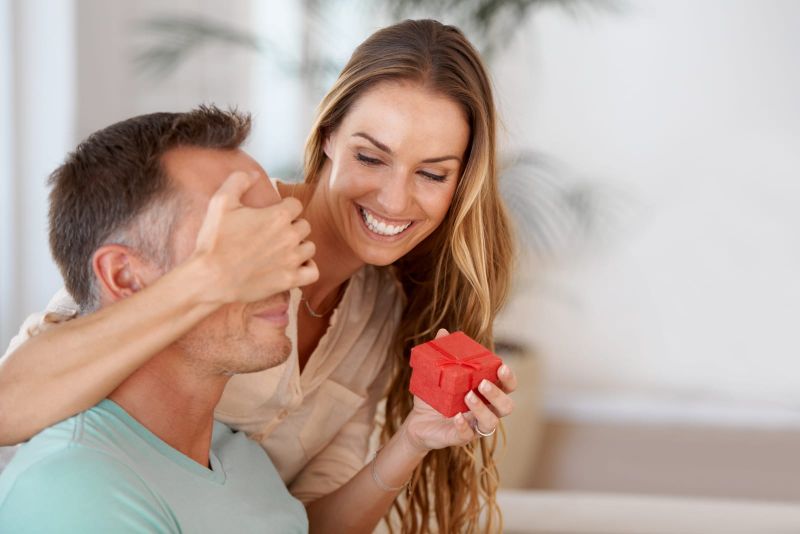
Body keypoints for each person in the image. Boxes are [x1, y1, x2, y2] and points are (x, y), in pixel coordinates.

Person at [0, 19, 516, 533]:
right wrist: (212, 276)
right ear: (330, 135)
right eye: (370, 157)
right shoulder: (216, 226)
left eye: (431, 174)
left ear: (460, 183)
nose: (395, 199)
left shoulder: (381, 312)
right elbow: (10, 404)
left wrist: (412, 441)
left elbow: (304, 521)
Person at [0, 109, 313, 532]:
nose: (287, 268)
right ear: (124, 276)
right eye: (238, 242)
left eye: (277, 236)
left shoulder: (240, 456)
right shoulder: (77, 489)